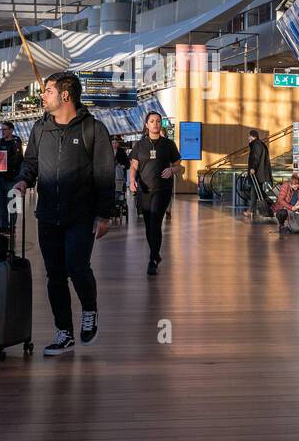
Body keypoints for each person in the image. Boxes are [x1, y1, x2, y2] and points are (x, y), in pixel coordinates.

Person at [13, 72, 115, 356]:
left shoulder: (93, 129)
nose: (42, 96)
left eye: (47, 91)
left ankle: (90, 310)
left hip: (81, 215)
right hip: (47, 215)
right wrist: (23, 180)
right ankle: (64, 332)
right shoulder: (40, 128)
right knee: (55, 275)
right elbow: (30, 162)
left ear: (65, 96)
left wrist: (104, 215)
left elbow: (105, 174)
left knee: (77, 267)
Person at [128, 112, 183, 275]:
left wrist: (172, 169)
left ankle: (152, 259)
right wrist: (132, 181)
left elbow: (179, 165)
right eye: (152, 121)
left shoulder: (168, 144)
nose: (156, 124)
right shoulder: (139, 145)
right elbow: (134, 167)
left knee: (155, 222)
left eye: (158, 121)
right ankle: (155, 253)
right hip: (144, 190)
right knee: (148, 224)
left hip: (163, 189)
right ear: (146, 125)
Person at [246, 129, 272, 214]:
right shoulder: (260, 144)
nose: (248, 138)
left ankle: (251, 209)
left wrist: (253, 168)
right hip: (260, 172)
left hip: (257, 172)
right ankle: (268, 201)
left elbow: (255, 157)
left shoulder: (256, 144)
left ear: (253, 136)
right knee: (257, 189)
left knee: (255, 189)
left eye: (249, 136)